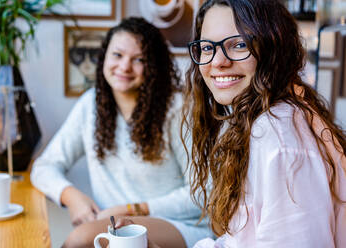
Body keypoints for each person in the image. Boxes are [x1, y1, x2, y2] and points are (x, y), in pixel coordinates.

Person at [116, 0, 346, 247]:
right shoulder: (259, 119)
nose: (217, 62)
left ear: (273, 48)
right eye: (207, 48)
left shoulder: (276, 133)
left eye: (238, 44)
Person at [30, 17, 213, 248]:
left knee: (80, 239)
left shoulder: (177, 109)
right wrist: (71, 197)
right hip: (115, 224)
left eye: (139, 59)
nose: (125, 66)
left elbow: (203, 193)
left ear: (154, 66)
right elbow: (44, 167)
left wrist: (134, 209)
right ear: (104, 56)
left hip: (179, 224)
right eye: (117, 55)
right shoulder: (90, 106)